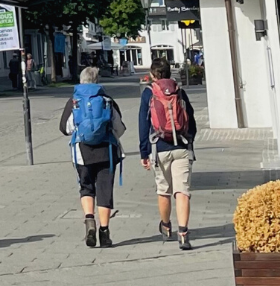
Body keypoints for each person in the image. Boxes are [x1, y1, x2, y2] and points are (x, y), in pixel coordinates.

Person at [59, 67, 125, 248]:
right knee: (105, 191)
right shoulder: (107, 100)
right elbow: (119, 127)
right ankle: (104, 233)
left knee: (86, 187)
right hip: (106, 151)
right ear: (97, 81)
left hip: (82, 152)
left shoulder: (74, 101)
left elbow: (64, 128)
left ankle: (89, 222)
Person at [139, 58, 198, 250]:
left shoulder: (149, 93)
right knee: (182, 191)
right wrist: (189, 141)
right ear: (169, 72)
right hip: (181, 147)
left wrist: (144, 152)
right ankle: (183, 233)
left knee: (163, 190)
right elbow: (191, 119)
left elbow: (143, 124)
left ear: (153, 75)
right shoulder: (179, 91)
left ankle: (166, 227)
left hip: (159, 148)